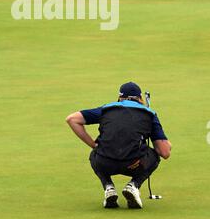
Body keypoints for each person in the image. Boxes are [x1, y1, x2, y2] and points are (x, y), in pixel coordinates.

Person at [66, 81, 171, 209]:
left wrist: (93, 145)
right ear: (140, 98)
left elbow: (72, 119)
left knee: (94, 154)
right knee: (154, 156)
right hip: (134, 164)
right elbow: (164, 152)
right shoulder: (149, 114)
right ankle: (134, 185)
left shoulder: (106, 109)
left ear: (120, 97)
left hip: (104, 162)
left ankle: (108, 187)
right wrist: (166, 143)